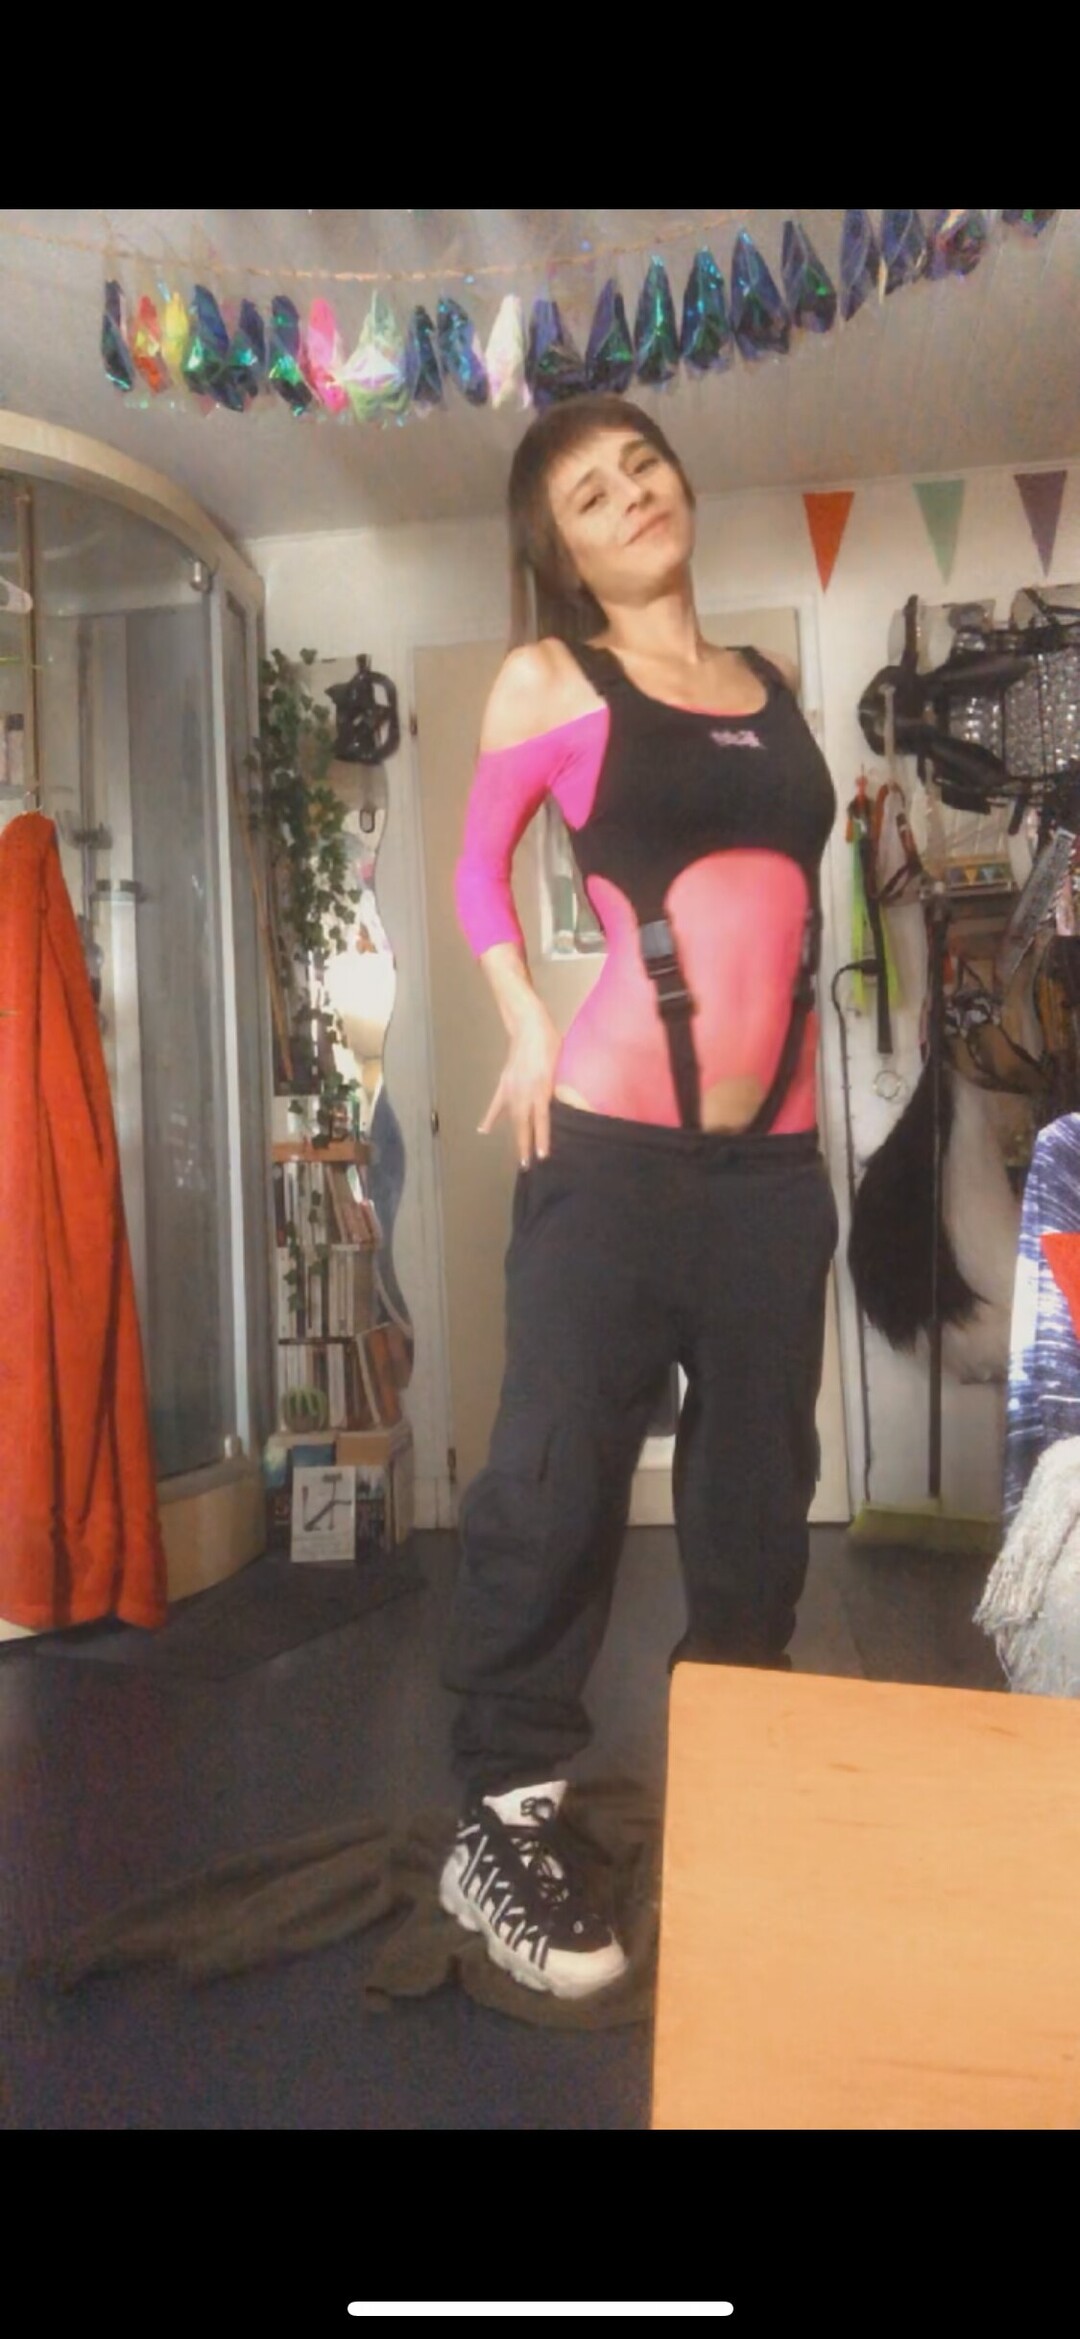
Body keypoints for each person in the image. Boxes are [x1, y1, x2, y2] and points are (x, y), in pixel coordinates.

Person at [438, 393, 838, 1999]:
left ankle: (732, 1798)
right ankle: (499, 1818)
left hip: (774, 1179)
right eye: (592, 498)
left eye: (642, 468)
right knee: (554, 1485)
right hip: (608, 1160)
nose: (632, 498)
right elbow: (478, 868)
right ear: (565, 556)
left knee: (754, 1506)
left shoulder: (772, 687)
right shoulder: (553, 680)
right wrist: (524, 1020)